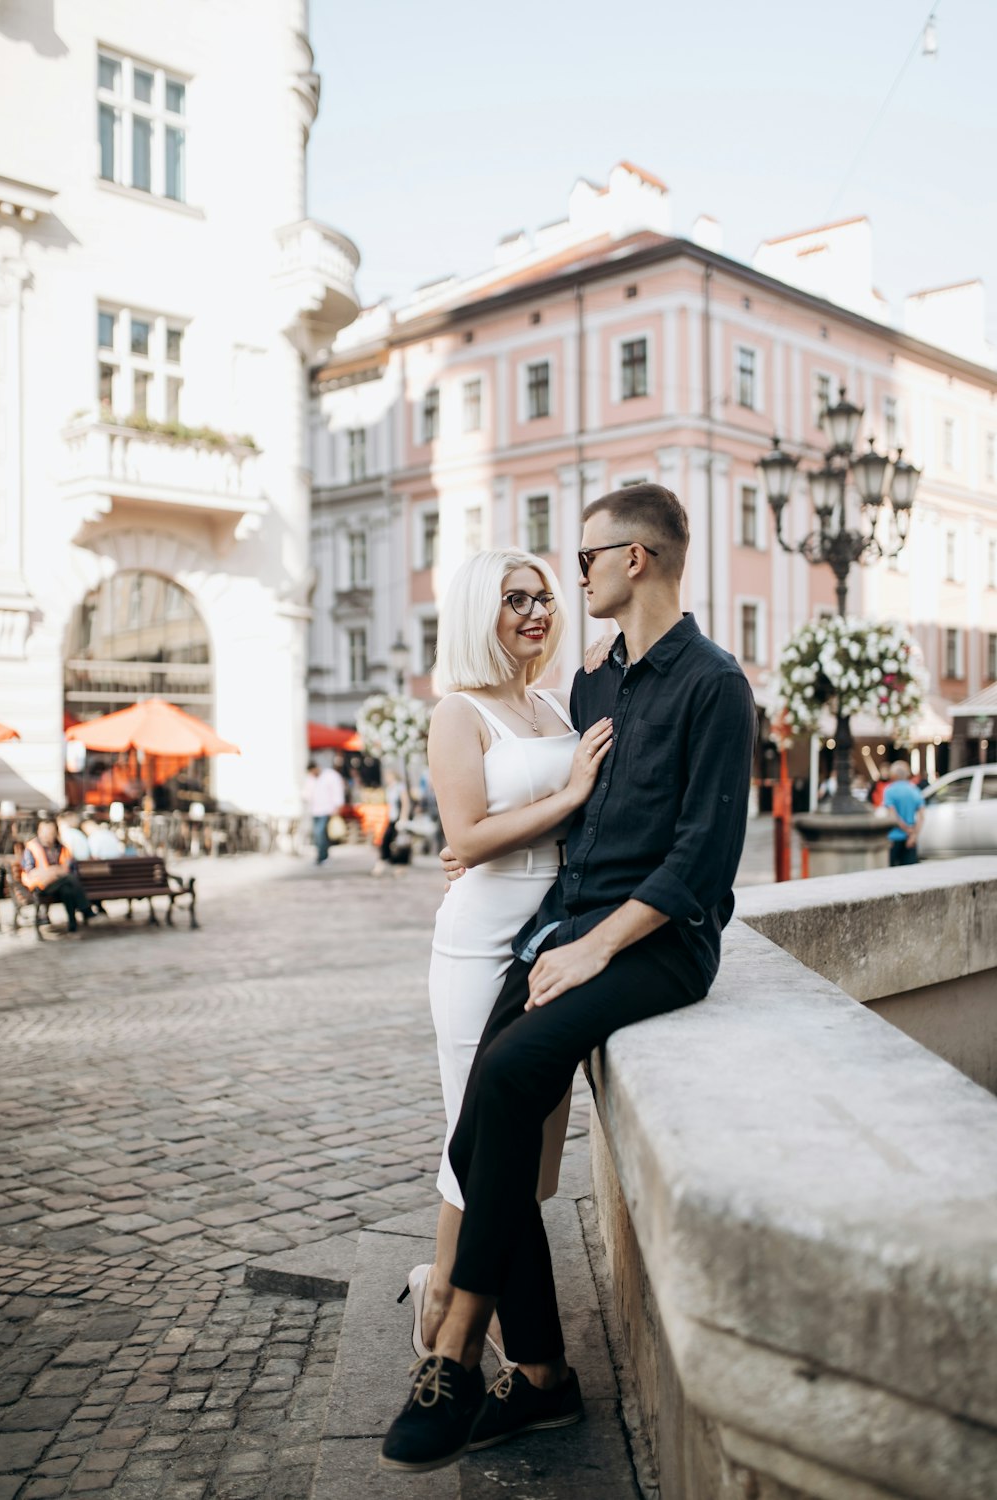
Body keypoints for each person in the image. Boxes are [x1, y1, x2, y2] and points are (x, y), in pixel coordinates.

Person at [380, 484, 757, 1473]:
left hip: (654, 945)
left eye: (582, 560)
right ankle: (537, 1376)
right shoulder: (597, 684)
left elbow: (702, 863)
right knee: (485, 1121)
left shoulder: (713, 683)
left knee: (504, 1082)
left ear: (632, 560)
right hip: (559, 932)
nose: (568, 577)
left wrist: (596, 946)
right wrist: (492, 858)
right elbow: (563, 808)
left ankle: (454, 1356)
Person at [399, 548, 613, 1372]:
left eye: (546, 598)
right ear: (478, 612)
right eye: (514, 599)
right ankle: (460, 1312)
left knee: (534, 1154)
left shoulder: (556, 705)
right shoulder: (459, 711)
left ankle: (449, 1290)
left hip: (550, 940)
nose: (537, 611)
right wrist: (567, 798)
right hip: (481, 942)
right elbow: (466, 839)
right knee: (484, 1142)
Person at [20, 817, 97, 932]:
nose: (47, 835)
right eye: (44, 831)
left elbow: (70, 868)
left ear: (55, 832)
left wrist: (54, 872)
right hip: (40, 886)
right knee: (68, 879)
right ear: (39, 832)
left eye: (50, 832)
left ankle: (72, 923)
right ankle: (85, 909)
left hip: (60, 883)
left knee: (67, 890)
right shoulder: (32, 847)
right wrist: (55, 871)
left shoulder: (61, 848)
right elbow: (31, 872)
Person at [302, 760, 345, 866]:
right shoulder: (310, 779)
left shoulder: (330, 776)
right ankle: (322, 854)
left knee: (320, 832)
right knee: (319, 834)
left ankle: (322, 856)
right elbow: (307, 794)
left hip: (327, 810)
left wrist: (337, 806)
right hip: (315, 810)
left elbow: (337, 791)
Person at [882, 760, 925, 865]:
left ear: (894, 775)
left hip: (893, 837)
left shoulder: (889, 790)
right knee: (909, 873)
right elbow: (922, 816)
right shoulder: (914, 790)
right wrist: (913, 834)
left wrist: (907, 830)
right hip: (910, 839)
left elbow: (893, 815)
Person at [374, 769, 412, 875]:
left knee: (398, 843)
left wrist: (403, 818)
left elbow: (405, 803)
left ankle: (396, 865)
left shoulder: (400, 787)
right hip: (391, 818)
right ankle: (386, 862)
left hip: (398, 819)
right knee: (387, 841)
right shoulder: (389, 788)